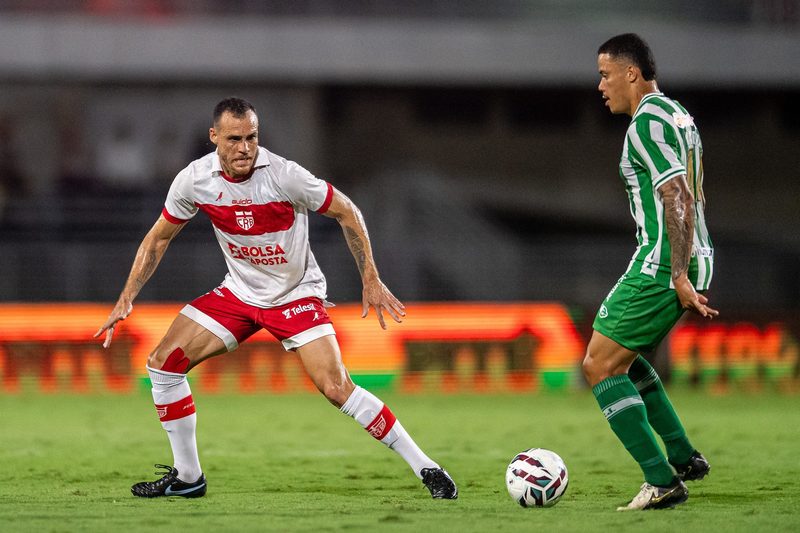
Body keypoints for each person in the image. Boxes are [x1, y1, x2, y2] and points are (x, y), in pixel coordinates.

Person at [95, 97, 457, 500]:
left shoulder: (285, 176)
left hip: (294, 295)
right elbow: (158, 238)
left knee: (337, 387)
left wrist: (370, 276)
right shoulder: (194, 180)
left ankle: (426, 467)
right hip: (239, 293)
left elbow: (348, 211)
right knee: (162, 365)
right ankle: (188, 476)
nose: (244, 148)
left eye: (251, 137)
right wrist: (127, 297)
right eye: (234, 139)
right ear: (214, 137)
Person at [585, 34, 718, 511]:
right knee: (626, 358)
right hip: (688, 255)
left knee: (599, 365)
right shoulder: (679, 114)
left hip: (663, 262)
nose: (600, 85)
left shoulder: (645, 124)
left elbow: (678, 196)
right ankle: (683, 457)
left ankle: (661, 479)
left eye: (605, 74)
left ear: (631, 74)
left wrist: (677, 273)